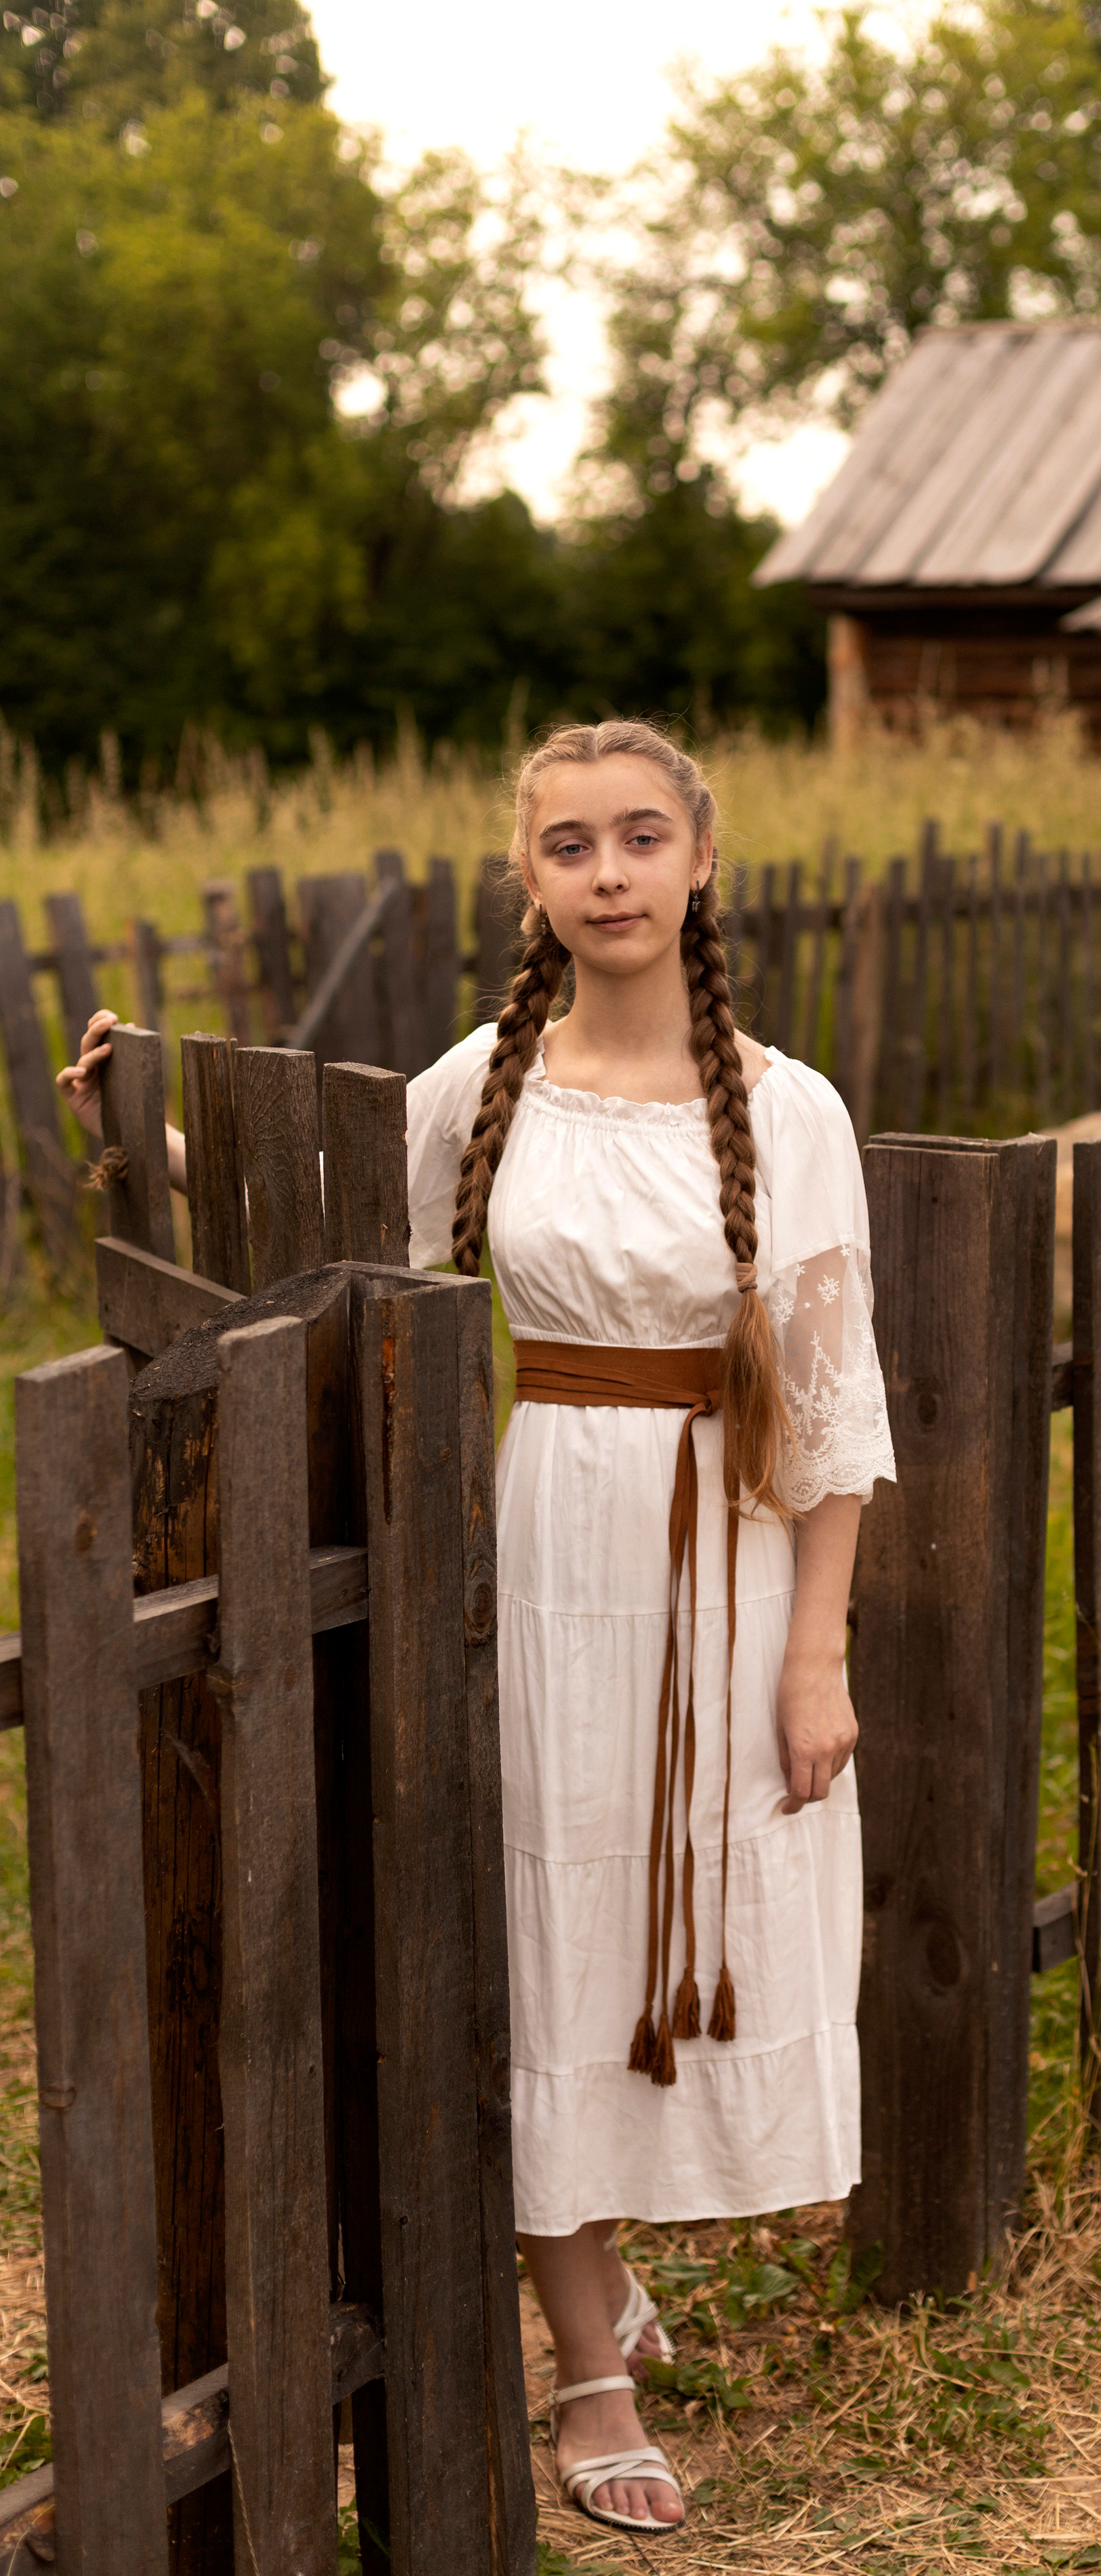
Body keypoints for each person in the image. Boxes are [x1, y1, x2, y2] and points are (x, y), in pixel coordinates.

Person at [57, 719, 897, 2539]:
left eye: (641, 838)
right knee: (538, 1919)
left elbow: (835, 1411)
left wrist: (816, 1658)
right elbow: (317, 1202)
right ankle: (586, 2356)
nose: (608, 873)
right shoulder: (486, 1084)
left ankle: (611, 2253)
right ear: (526, 880)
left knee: (693, 1915)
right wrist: (145, 1124)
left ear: (699, 863)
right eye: (571, 845)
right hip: (531, 1550)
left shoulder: (794, 1107)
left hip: (729, 1565)